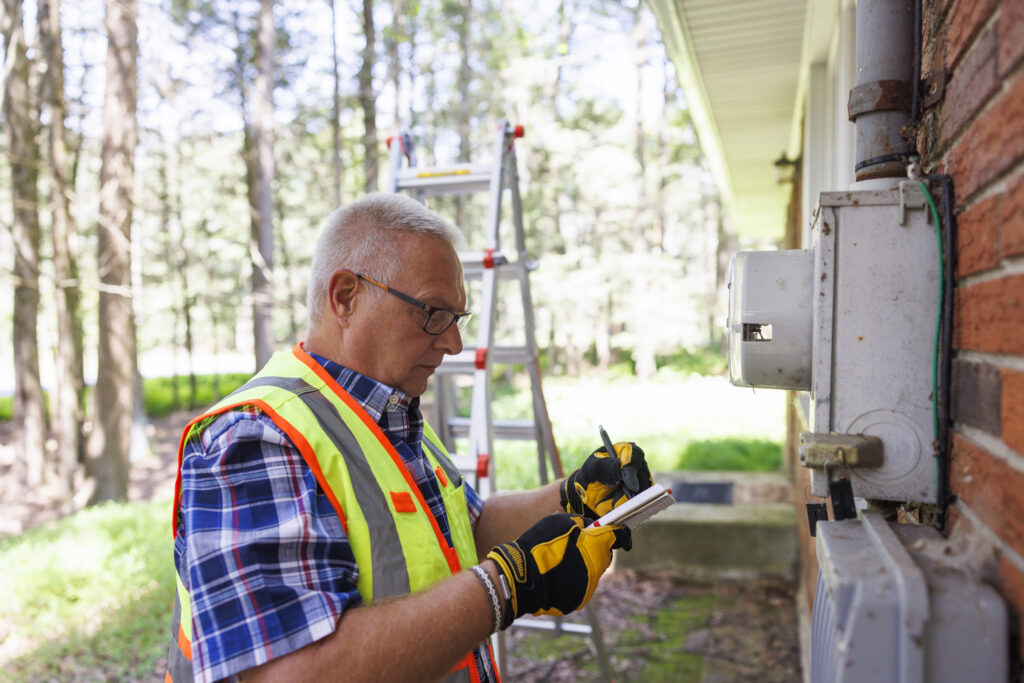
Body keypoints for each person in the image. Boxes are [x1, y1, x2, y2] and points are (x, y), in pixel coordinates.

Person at [167, 193, 652, 683]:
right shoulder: (256, 437)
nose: (453, 343)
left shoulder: (386, 409)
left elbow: (464, 534)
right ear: (346, 297)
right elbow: (291, 672)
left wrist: (570, 497)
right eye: (433, 312)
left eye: (456, 318)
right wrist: (506, 587)